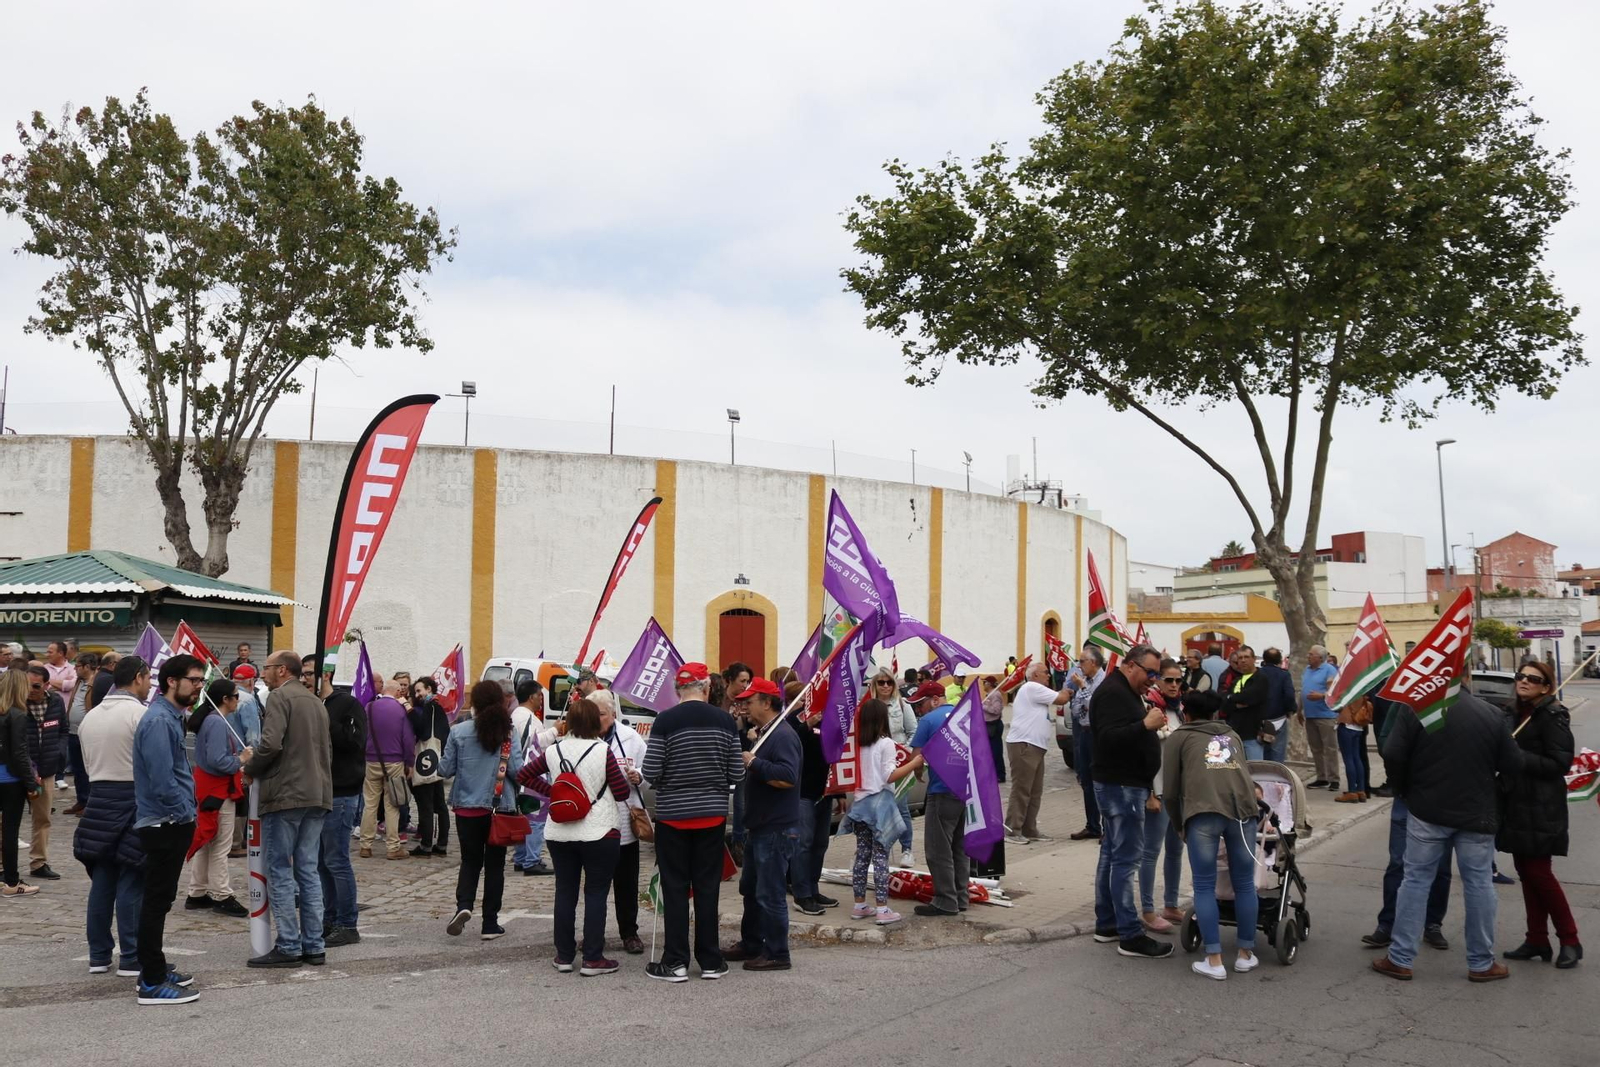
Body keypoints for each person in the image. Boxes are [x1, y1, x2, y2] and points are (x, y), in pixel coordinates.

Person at [1372, 686, 1521, 982]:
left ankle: (1400, 958)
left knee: (1415, 881)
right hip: (1476, 813)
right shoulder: (1491, 713)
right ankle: (1481, 963)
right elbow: (1514, 764)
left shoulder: (1417, 708)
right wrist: (1494, 789)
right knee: (1479, 884)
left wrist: (1403, 788)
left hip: (1427, 810)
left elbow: (1392, 751)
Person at [640, 662, 744, 982]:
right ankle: (711, 961)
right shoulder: (725, 721)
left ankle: (676, 961)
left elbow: (650, 771)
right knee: (707, 887)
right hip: (711, 816)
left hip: (673, 817)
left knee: (675, 887)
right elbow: (737, 774)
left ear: (677, 689)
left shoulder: (665, 720)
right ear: (707, 687)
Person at [243, 650, 333, 969]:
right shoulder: (316, 702)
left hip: (286, 794)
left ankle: (290, 945)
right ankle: (314, 945)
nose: (262, 673)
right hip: (317, 793)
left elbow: (271, 744)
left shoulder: (280, 697)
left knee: (280, 868)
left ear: (281, 671)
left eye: (266, 668)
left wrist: (250, 768)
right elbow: (326, 750)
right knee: (307, 870)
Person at [1161, 689, 1259, 979]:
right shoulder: (1232, 734)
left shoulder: (1179, 737)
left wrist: (1179, 823)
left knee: (1204, 886)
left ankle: (1214, 959)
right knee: (1244, 884)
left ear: (1184, 711)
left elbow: (1171, 790)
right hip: (1242, 812)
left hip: (1202, 813)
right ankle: (1245, 954)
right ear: (1215, 713)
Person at [1089, 643, 1172, 960]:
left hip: (1124, 784)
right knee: (1125, 860)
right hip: (1121, 787)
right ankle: (1130, 934)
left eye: (1156, 674)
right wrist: (1144, 725)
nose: (1153, 679)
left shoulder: (1122, 689)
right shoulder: (1113, 692)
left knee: (1112, 854)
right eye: (1150, 673)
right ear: (1130, 665)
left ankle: (1108, 924)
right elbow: (1107, 738)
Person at [1498, 660, 1582, 969]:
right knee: (1526, 870)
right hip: (1515, 802)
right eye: (1521, 676)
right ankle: (1537, 939)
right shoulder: (1511, 712)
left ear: (1546, 686)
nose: (1524, 682)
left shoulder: (1552, 715)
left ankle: (1570, 939)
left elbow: (1559, 764)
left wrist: (1517, 757)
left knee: (1539, 873)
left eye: (1533, 679)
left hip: (1541, 804)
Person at [130, 654, 203, 1004]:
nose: (199, 686)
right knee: (156, 901)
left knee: (159, 900)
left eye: (202, 681)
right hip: (165, 822)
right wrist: (185, 811)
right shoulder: (160, 721)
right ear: (172, 681)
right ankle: (151, 981)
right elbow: (162, 781)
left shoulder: (172, 717)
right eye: (193, 680)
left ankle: (154, 966)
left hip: (169, 820)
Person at [1363, 677, 1452, 953]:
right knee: (1398, 862)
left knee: (1440, 866)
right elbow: (1387, 742)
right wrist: (1400, 778)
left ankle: (1432, 923)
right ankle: (1388, 924)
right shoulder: (1405, 704)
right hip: (1407, 795)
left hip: (1443, 797)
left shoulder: (1457, 704)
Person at [723, 678, 806, 969]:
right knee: (752, 889)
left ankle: (777, 953)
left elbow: (787, 776)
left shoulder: (783, 735)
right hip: (760, 827)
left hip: (776, 828)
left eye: (750, 701)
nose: (744, 706)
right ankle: (752, 943)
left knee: (770, 894)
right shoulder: (768, 733)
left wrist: (752, 762)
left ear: (767, 703)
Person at [74, 655, 151, 973]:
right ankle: (131, 956)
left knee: (103, 881)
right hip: (131, 797)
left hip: (98, 798)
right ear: (137, 677)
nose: (149, 685)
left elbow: (87, 765)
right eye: (147, 678)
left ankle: (99, 954)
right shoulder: (140, 714)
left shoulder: (89, 718)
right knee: (132, 879)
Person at [443, 681, 533, 943]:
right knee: (495, 867)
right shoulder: (508, 733)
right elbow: (517, 771)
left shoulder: (458, 732)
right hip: (498, 809)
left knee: (470, 860)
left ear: (476, 704)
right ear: (500, 702)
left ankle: (463, 905)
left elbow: (445, 770)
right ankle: (490, 923)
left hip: (466, 809)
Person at [835, 697, 912, 929]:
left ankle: (859, 905)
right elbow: (889, 775)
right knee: (880, 857)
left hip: (859, 806)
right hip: (879, 806)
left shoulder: (857, 743)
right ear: (882, 719)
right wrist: (914, 763)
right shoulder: (885, 743)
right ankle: (882, 908)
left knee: (862, 856)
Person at [183, 678, 251, 917]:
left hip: (209, 788)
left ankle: (197, 892)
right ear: (225, 699)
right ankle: (222, 894)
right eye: (235, 695)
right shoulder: (217, 723)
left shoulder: (212, 720)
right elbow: (218, 760)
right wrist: (241, 760)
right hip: (218, 790)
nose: (238, 700)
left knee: (208, 842)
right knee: (220, 845)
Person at [588, 689, 647, 955]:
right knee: (595, 885)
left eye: (600, 714)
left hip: (624, 824)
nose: (596, 718)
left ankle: (629, 932)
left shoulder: (631, 739)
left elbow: (649, 772)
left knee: (626, 883)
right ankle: (593, 935)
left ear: (612, 714)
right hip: (593, 825)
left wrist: (639, 777)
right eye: (592, 713)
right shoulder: (581, 737)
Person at [905, 684, 968, 917]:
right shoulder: (964, 715)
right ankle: (961, 897)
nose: (918, 710)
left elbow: (917, 757)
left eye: (919, 704)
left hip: (942, 789)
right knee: (959, 847)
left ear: (933, 700)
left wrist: (917, 774)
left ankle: (945, 900)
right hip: (966, 788)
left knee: (938, 848)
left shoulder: (929, 720)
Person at [320, 676, 367, 946]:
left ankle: (347, 924)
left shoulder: (347, 704)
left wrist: (327, 719)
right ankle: (331, 917)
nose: (304, 678)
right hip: (318, 793)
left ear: (324, 675)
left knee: (337, 861)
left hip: (342, 793)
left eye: (307, 673)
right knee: (320, 862)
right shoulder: (312, 703)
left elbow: (355, 742)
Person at [1140, 661, 1185, 934]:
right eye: (1169, 680)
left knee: (1176, 851)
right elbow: (1142, 754)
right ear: (1157, 680)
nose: (1174, 685)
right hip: (1157, 791)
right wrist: (1149, 793)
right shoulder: (1148, 709)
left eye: (1178, 681)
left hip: (1179, 793)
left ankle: (1171, 904)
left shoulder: (1179, 710)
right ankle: (1147, 910)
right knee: (1151, 852)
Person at [1004, 662, 1070, 846]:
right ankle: (1012, 829)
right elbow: (1062, 698)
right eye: (1045, 673)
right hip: (1024, 744)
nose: (1048, 676)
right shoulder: (1032, 687)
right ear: (1034, 675)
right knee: (1022, 789)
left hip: (1035, 746)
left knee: (1035, 791)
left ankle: (1029, 828)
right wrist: (1071, 684)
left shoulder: (1034, 690)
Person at [787, 680, 837, 916]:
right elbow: (790, 745)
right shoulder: (794, 719)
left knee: (820, 844)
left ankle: (813, 888)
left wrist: (839, 791)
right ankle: (801, 894)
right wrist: (808, 724)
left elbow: (835, 754)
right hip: (803, 793)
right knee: (803, 845)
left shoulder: (829, 717)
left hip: (824, 793)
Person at [360, 679, 415, 860]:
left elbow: (362, 732)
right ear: (398, 692)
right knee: (392, 805)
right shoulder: (401, 710)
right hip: (394, 761)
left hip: (371, 760)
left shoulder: (369, 707)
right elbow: (407, 739)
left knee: (370, 804)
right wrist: (409, 763)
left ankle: (365, 845)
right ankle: (393, 847)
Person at [1, 668, 43, 897]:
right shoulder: (17, 714)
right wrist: (31, 783)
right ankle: (11, 881)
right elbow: (19, 753)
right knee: (10, 831)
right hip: (10, 780)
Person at [23, 664, 67, 880]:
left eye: (36, 686)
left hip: (47, 769)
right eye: (27, 685)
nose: (31, 689)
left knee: (42, 818)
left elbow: (63, 731)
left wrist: (58, 754)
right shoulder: (15, 702)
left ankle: (39, 862)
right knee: (6, 821)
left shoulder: (56, 701)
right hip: (18, 770)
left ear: (47, 685)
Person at [872, 669, 918, 867]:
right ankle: (879, 849)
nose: (885, 686)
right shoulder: (869, 706)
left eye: (889, 682)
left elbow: (913, 731)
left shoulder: (902, 705)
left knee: (900, 808)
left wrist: (904, 751)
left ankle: (907, 850)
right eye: (881, 682)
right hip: (875, 763)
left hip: (898, 762)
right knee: (876, 809)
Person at [1065, 648, 1108, 840]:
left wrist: (1082, 688)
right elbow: (1075, 708)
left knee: (1102, 780)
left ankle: (1108, 827)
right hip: (1083, 732)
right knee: (1086, 779)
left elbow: (1094, 706)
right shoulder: (1085, 680)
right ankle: (1092, 825)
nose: (1079, 665)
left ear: (1093, 663)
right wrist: (1081, 690)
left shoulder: (1102, 681)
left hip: (1097, 734)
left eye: (1082, 661)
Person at [408, 676, 452, 858]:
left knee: (426, 804)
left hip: (428, 761)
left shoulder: (430, 707)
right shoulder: (439, 706)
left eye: (419, 691)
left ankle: (426, 845)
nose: (417, 695)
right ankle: (441, 844)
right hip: (437, 760)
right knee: (440, 805)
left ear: (428, 688)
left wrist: (409, 711)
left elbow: (424, 732)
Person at [226, 663, 263, 856]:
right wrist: (255, 761)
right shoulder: (247, 700)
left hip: (225, 756)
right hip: (243, 755)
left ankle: (229, 840)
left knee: (229, 798)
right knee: (242, 799)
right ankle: (237, 842)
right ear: (251, 680)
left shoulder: (222, 696)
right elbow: (253, 735)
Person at [62, 651, 100, 815]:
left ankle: (90, 803)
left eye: (77, 666)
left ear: (87, 666)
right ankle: (81, 800)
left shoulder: (97, 682)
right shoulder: (78, 681)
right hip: (72, 732)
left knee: (88, 770)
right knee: (77, 770)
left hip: (88, 733)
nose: (74, 668)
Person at [1299, 646, 1341, 790]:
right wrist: (1300, 710)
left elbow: (1334, 691)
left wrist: (1321, 696)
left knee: (1330, 748)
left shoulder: (1329, 670)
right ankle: (1321, 777)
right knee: (1316, 748)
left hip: (1326, 715)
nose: (1308, 656)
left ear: (1320, 657)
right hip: (1310, 715)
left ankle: (1334, 778)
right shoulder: (1307, 670)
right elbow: (1303, 690)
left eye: (1311, 654)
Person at [1219, 646, 1270, 762]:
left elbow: (1249, 697)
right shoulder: (1236, 680)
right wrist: (1234, 702)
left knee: (1255, 773)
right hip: (1235, 734)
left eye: (1246, 657)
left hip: (1253, 735)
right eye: (1240, 658)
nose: (1242, 660)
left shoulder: (1261, 678)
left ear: (1254, 659)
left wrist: (1230, 698)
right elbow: (1224, 704)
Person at [1257, 649, 1296, 764]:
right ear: (1279, 660)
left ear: (1264, 659)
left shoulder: (1257, 674)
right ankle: (1277, 779)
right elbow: (1289, 695)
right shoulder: (1284, 675)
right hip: (1279, 717)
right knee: (1278, 754)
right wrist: (1291, 709)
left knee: (1263, 752)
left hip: (1260, 719)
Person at [1334, 694, 1371, 803]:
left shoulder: (1347, 688)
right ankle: (1361, 790)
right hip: (1358, 724)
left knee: (1348, 758)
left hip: (1346, 723)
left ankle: (1352, 791)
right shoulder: (1360, 687)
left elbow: (1336, 706)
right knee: (1357, 757)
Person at [980, 675, 1008, 785]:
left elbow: (996, 710)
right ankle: (993, 773)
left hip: (994, 725)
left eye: (985, 682)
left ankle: (1000, 775)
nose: (983, 685)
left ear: (989, 684)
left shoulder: (995, 694)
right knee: (990, 751)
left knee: (996, 750)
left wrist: (982, 706)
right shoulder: (990, 695)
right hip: (988, 725)